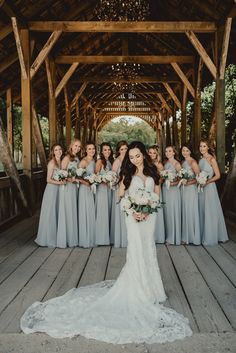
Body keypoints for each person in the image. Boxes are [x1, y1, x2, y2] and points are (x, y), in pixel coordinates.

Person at [21, 141, 192, 344]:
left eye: (138, 155)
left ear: (144, 155)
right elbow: (121, 196)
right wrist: (133, 210)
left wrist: (147, 208)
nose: (135, 159)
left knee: (148, 249)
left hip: (149, 217)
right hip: (132, 217)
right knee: (136, 249)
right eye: (131, 157)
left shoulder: (153, 171)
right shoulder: (127, 174)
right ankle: (137, 289)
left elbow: (156, 194)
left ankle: (152, 288)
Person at [198, 139, 228, 245]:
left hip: (209, 188)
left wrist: (207, 182)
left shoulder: (211, 159)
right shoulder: (200, 159)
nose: (202, 148)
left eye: (204, 146)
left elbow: (218, 175)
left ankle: (212, 235)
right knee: (202, 210)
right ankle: (203, 234)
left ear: (208, 147)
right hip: (201, 188)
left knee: (210, 211)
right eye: (201, 146)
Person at [35, 144, 64, 247]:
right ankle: (48, 238)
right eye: (56, 150)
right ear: (53, 152)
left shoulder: (62, 161)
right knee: (51, 212)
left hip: (60, 190)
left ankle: (58, 236)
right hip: (52, 190)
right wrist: (60, 183)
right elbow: (48, 180)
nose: (58, 151)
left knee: (58, 212)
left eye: (60, 149)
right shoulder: (52, 163)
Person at [56, 139, 81, 248]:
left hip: (74, 188)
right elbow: (62, 174)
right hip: (67, 188)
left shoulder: (77, 158)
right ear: (71, 146)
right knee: (68, 211)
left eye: (79, 147)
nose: (77, 148)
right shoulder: (66, 158)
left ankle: (73, 237)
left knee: (73, 210)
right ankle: (66, 238)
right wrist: (73, 180)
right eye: (75, 146)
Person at [180, 143, 201, 245]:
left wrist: (187, 182)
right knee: (185, 211)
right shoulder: (183, 162)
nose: (185, 152)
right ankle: (186, 236)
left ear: (190, 151)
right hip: (184, 190)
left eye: (187, 151)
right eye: (183, 150)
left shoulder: (193, 162)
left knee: (190, 211)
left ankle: (192, 237)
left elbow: (199, 179)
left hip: (191, 189)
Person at [78, 142, 96, 248]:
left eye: (93, 148)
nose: (92, 150)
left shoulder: (93, 160)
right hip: (85, 189)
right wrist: (88, 183)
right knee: (86, 211)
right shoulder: (83, 161)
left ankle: (92, 236)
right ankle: (85, 238)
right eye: (89, 149)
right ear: (86, 150)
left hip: (92, 189)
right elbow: (78, 177)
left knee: (91, 211)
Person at [162, 145, 182, 245]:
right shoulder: (166, 163)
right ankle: (167, 235)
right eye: (166, 151)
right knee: (167, 212)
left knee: (172, 212)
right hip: (165, 190)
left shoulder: (177, 164)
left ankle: (173, 237)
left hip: (173, 191)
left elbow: (181, 179)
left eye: (170, 151)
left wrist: (172, 183)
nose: (167, 153)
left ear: (174, 152)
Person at [95, 142, 114, 245]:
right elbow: (95, 177)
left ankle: (107, 236)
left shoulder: (110, 161)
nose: (107, 151)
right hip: (101, 190)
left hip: (109, 190)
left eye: (109, 149)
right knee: (102, 211)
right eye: (105, 150)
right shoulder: (99, 161)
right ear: (101, 151)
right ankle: (101, 238)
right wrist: (104, 180)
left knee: (108, 210)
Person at [110, 140, 128, 247]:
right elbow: (113, 177)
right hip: (119, 189)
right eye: (122, 149)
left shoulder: (129, 160)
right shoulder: (117, 161)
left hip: (128, 189)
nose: (124, 151)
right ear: (118, 150)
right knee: (121, 213)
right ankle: (121, 238)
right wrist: (120, 181)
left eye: (126, 149)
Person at [148, 145, 165, 243]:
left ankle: (157, 235)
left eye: (154, 153)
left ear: (157, 154)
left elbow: (162, 178)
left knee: (156, 209)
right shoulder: (147, 163)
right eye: (150, 152)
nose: (152, 155)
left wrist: (156, 182)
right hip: (148, 188)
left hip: (156, 188)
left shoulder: (159, 164)